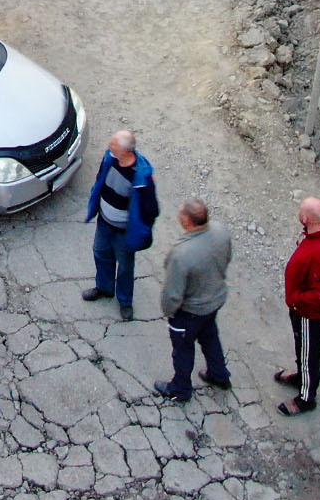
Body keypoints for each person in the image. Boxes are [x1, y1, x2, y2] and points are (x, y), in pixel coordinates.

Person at [155, 199, 233, 402]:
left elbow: (172, 293)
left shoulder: (182, 254)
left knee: (182, 349)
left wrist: (169, 312)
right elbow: (226, 258)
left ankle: (180, 389)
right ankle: (219, 375)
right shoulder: (220, 231)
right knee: (210, 337)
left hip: (190, 312)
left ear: (188, 222)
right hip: (214, 301)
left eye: (181, 215)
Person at [80, 130, 159, 321]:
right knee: (100, 253)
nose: (109, 147)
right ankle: (104, 288)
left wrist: (137, 229)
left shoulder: (140, 177)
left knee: (124, 267)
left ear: (125, 151)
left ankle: (125, 301)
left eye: (113, 145)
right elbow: (100, 178)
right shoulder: (110, 158)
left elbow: (151, 210)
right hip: (104, 223)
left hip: (123, 232)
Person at [277, 197, 320, 416]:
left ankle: (306, 397)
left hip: (308, 313)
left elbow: (318, 294)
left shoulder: (313, 252)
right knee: (304, 349)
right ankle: (302, 378)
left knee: (308, 352)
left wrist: (296, 301)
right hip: (316, 308)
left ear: (305, 218)